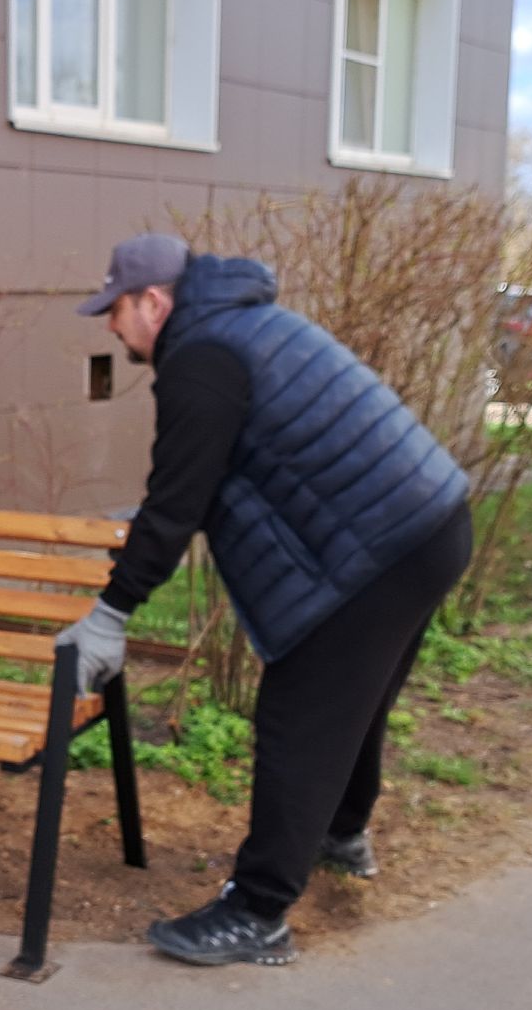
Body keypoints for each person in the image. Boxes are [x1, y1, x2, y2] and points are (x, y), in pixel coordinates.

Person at [55, 233, 472, 966]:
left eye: (115, 311)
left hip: (381, 546)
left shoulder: (203, 358)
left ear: (153, 302)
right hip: (429, 524)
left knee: (299, 715)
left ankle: (257, 912)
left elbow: (175, 503)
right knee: (353, 700)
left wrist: (110, 615)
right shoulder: (241, 327)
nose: (111, 327)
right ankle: (340, 833)